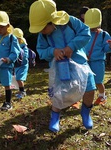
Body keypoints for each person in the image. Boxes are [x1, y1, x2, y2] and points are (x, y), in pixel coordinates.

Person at [29, 0, 96, 132]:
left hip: (80, 63)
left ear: (52, 21)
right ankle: (55, 116)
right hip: (59, 68)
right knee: (58, 93)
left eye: (43, 28)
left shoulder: (71, 22)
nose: (41, 31)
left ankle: (85, 112)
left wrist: (72, 46)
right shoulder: (42, 34)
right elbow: (41, 50)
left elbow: (86, 33)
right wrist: (52, 51)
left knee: (90, 88)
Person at [84, 8, 111, 105]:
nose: (92, 28)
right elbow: (79, 45)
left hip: (98, 62)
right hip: (85, 62)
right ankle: (82, 97)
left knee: (98, 81)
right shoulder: (84, 33)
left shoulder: (104, 35)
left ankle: (102, 96)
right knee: (84, 81)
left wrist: (109, 46)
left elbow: (106, 49)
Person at [71, 6, 89, 109]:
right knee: (76, 80)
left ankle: (86, 104)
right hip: (79, 56)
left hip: (91, 58)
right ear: (83, 15)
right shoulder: (77, 25)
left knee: (88, 83)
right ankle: (75, 100)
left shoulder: (95, 28)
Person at [13, 28, 29, 99]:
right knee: (17, 78)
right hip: (17, 66)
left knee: (19, 78)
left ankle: (22, 91)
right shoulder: (15, 46)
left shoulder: (24, 47)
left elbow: (25, 57)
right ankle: (20, 90)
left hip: (23, 66)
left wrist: (19, 58)